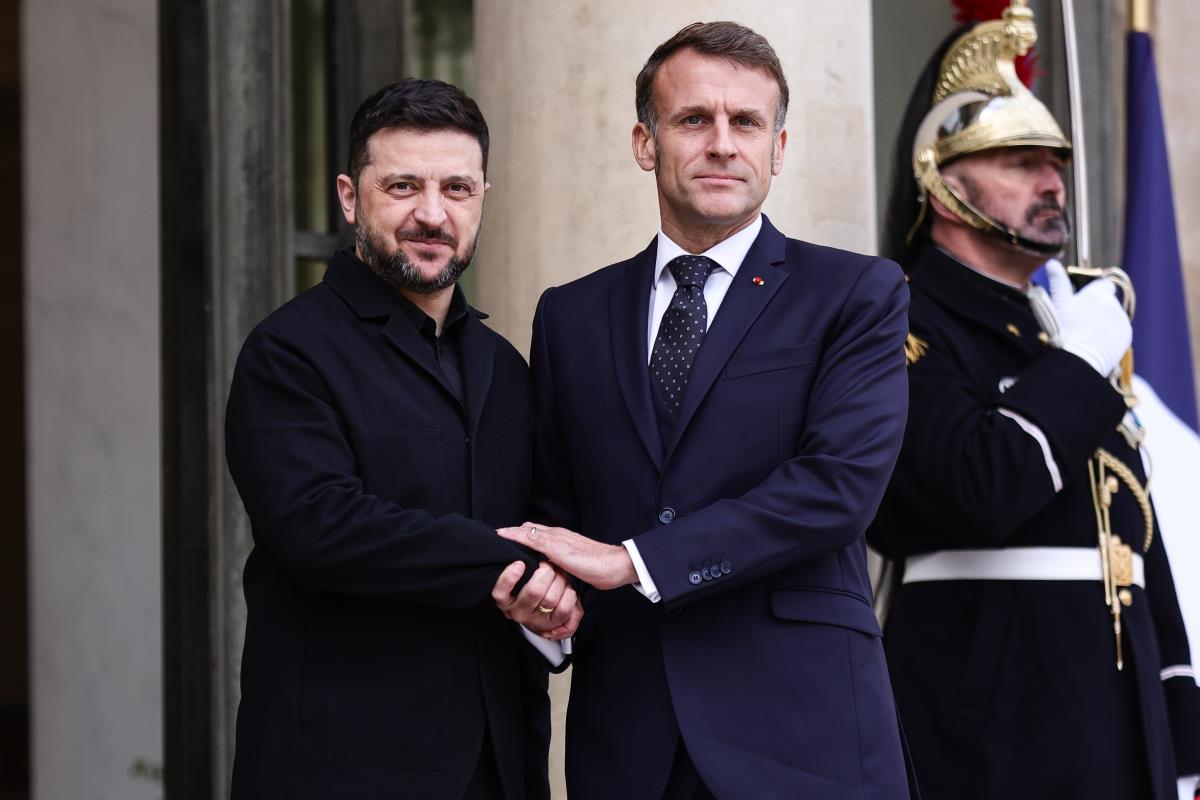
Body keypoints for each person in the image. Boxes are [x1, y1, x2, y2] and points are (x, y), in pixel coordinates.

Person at [497, 21, 917, 799]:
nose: (722, 144)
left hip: (802, 738)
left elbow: (837, 489)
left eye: (746, 122)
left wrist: (637, 563)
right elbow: (560, 510)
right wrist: (548, 607)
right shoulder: (570, 315)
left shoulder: (856, 294)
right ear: (645, 142)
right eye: (694, 119)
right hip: (628, 738)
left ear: (778, 149)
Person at [868, 3, 1200, 798]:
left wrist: (1183, 741)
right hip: (993, 726)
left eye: (1055, 164)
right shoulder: (899, 321)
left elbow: (1131, 537)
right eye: (1019, 163)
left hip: (1116, 723)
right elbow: (976, 487)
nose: (1052, 183)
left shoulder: (1061, 324)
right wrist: (1079, 364)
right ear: (942, 185)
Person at [224, 78, 578, 800]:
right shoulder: (289, 352)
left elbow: (548, 526)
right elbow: (320, 526)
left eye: (457, 188)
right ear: (350, 198)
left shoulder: (506, 368)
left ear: (482, 198)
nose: (432, 214)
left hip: (500, 768)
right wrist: (510, 567)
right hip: (342, 771)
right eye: (403, 186)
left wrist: (559, 588)